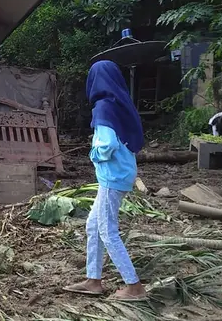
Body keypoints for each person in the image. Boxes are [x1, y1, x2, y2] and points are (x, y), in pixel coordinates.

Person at [64, 60, 146, 301]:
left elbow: (107, 145)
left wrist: (93, 154)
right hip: (121, 171)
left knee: (107, 230)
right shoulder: (120, 103)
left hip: (112, 176)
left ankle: (134, 286)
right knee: (93, 224)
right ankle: (93, 280)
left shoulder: (103, 107)